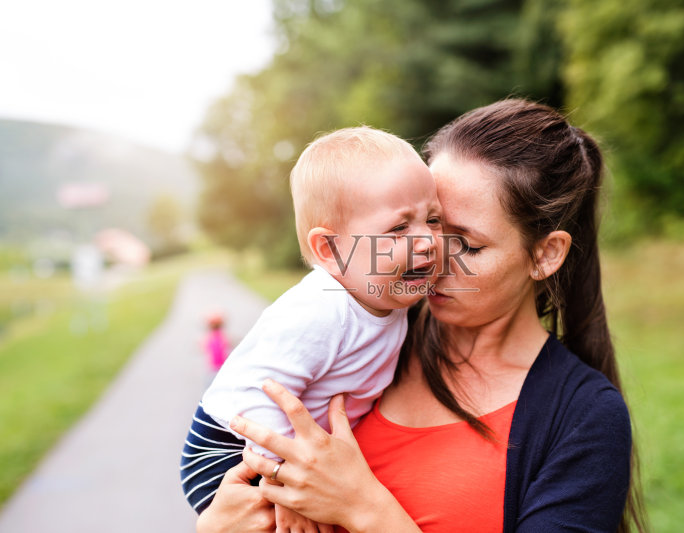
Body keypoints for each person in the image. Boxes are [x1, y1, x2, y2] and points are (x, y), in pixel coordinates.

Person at [187, 99, 647, 533]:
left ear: (545, 254)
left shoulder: (584, 418)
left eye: (465, 243)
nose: (429, 254)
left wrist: (365, 508)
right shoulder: (371, 338)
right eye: (429, 225)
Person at [182, 126, 442, 532]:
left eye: (433, 219)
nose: (427, 240)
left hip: (286, 445)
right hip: (228, 447)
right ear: (330, 250)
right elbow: (263, 395)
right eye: (398, 228)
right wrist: (282, 478)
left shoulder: (391, 297)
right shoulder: (321, 308)